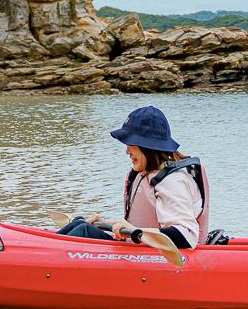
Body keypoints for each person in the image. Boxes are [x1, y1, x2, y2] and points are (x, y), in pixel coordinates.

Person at [57, 105, 209, 250]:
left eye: (130, 144)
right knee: (81, 224)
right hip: (140, 249)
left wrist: (136, 231)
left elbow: (185, 236)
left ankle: (44, 259)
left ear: (146, 145)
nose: (127, 151)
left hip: (159, 260)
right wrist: (106, 224)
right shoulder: (150, 173)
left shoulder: (173, 181)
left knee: (84, 231)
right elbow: (142, 225)